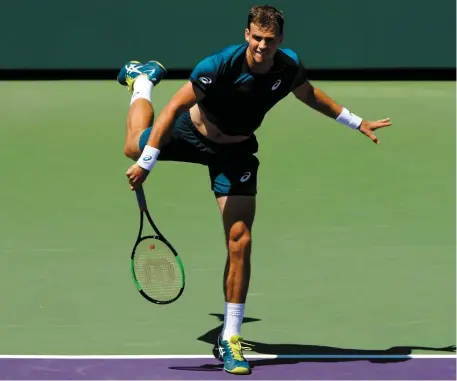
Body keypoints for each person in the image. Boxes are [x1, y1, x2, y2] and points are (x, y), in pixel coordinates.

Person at [117, 5, 392, 375]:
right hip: (189, 134)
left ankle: (229, 338)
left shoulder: (287, 67)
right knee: (134, 144)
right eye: (257, 38)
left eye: (270, 40)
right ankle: (143, 81)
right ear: (247, 34)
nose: (262, 46)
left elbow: (308, 94)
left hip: (236, 153)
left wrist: (355, 121)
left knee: (240, 240)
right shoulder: (217, 66)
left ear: (280, 40)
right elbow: (174, 109)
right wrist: (147, 163)